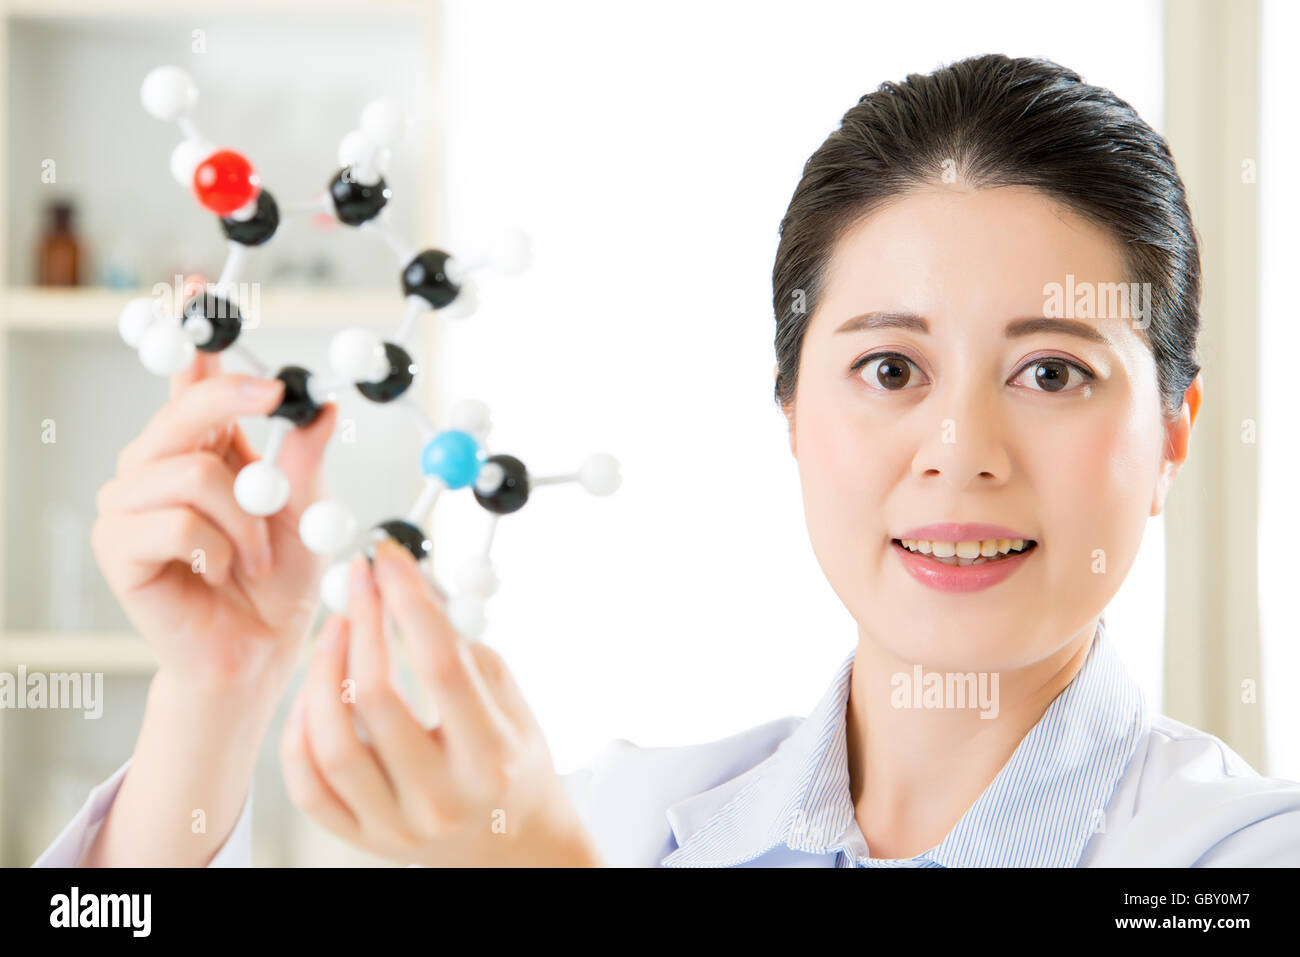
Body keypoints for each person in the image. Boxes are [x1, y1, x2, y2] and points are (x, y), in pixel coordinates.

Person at [35, 53, 1300, 868]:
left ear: (1174, 432)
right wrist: (216, 691)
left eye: (1051, 372)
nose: (959, 454)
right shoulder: (627, 821)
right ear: (791, 413)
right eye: (889, 370)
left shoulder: (1230, 862)